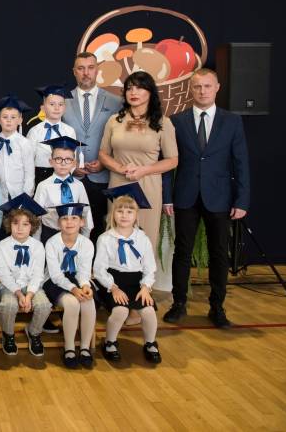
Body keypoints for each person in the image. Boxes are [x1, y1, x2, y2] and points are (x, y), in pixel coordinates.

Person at [163, 68, 250, 328]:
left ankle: (217, 307)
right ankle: (179, 303)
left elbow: (241, 163)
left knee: (219, 253)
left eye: (207, 86)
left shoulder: (231, 121)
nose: (202, 91)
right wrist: (167, 197)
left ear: (217, 88)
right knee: (182, 251)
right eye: (198, 86)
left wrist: (242, 200)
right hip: (185, 196)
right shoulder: (176, 121)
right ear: (190, 89)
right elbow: (167, 162)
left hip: (219, 197)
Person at [98, 71, 178, 291]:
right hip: (119, 185)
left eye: (140, 87)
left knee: (145, 239)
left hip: (148, 186)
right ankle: (116, 292)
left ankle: (143, 292)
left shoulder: (162, 122)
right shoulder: (114, 120)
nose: (133, 92)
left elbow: (172, 160)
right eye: (129, 88)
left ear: (150, 92)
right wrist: (121, 168)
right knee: (116, 236)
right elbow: (103, 154)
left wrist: (144, 170)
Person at [94, 183, 161, 364]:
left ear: (136, 215)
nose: (124, 215)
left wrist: (146, 287)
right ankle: (110, 342)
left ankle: (150, 343)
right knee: (120, 310)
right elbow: (99, 269)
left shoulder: (142, 238)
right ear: (113, 214)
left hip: (137, 282)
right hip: (113, 281)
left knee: (148, 311)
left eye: (129, 212)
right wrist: (113, 288)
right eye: (120, 211)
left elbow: (149, 267)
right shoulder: (105, 238)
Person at [62, 51, 122, 243]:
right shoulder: (62, 101)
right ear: (74, 72)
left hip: (102, 176)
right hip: (71, 177)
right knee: (70, 230)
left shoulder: (116, 101)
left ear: (97, 70)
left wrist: (105, 163)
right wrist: (70, 166)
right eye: (81, 68)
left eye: (90, 68)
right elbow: (56, 139)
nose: (86, 73)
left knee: (101, 230)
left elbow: (119, 139)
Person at [0, 194, 52, 357]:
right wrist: (20, 294)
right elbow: (3, 274)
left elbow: (38, 274)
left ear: (32, 226)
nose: (20, 228)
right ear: (9, 224)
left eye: (25, 224)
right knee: (8, 305)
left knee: (44, 305)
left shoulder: (38, 246)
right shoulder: (2, 246)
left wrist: (30, 295)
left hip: (32, 287)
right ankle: (8, 335)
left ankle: (34, 332)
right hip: (9, 287)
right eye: (15, 223)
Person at [43, 203, 96, 369]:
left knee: (88, 301)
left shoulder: (87, 244)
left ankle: (85, 347)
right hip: (55, 281)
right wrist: (73, 289)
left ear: (82, 222)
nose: (69, 222)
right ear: (59, 223)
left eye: (74, 218)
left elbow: (84, 272)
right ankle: (70, 348)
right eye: (64, 218)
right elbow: (55, 275)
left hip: (78, 279)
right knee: (72, 303)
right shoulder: (52, 243)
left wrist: (85, 285)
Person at [34, 136, 93, 244]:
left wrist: (85, 238)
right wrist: (37, 243)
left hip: (74, 235)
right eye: (58, 159)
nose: (63, 163)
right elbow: (37, 216)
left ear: (74, 163)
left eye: (68, 159)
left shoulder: (79, 185)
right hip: (50, 234)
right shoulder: (43, 186)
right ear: (51, 161)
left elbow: (86, 212)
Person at [27, 85, 77, 184]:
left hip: (63, 176)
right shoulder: (35, 131)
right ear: (43, 108)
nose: (57, 108)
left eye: (60, 104)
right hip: (40, 176)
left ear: (65, 108)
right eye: (52, 104)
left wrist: (66, 176)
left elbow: (73, 157)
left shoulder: (69, 131)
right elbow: (28, 161)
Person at [0, 94, 35, 205]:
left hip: (19, 194)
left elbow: (29, 173)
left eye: (13, 117)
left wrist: (26, 197)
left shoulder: (24, 143)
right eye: (5, 117)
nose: (9, 121)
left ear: (20, 120)